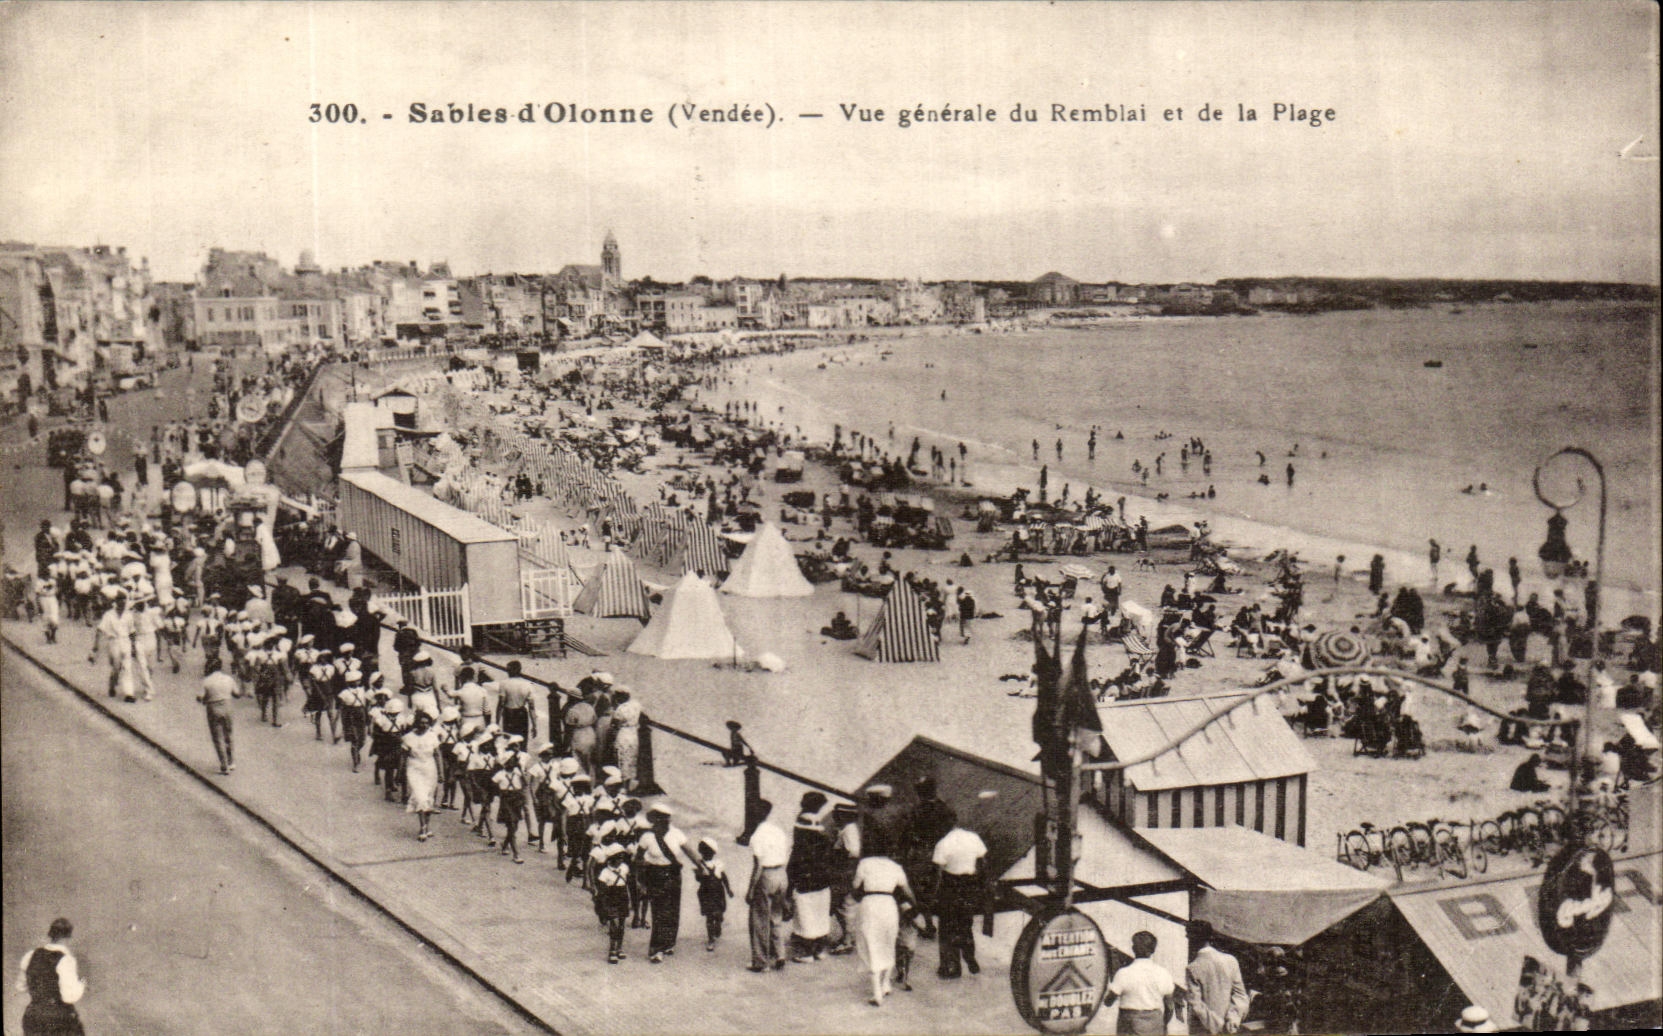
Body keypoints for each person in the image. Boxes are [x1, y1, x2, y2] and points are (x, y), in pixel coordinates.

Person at [851, 839, 917, 1007]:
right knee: (888, 942)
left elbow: (855, 886)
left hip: (870, 904)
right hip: (888, 905)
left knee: (871, 944)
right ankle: (886, 983)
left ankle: (876, 993)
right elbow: (907, 890)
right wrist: (915, 906)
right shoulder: (896, 867)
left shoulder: (864, 863)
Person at [932, 801, 989, 979]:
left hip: (951, 886)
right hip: (970, 885)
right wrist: (979, 884)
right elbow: (983, 862)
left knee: (947, 927)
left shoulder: (943, 843)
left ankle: (951, 967)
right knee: (965, 924)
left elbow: (938, 874)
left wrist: (933, 895)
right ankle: (970, 957)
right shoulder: (973, 837)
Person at [637, 802, 693, 963]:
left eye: (666, 818)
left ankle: (669, 942)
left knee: (673, 909)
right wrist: (641, 877)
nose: (665, 821)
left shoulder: (677, 834)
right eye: (660, 818)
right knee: (659, 912)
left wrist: (703, 866)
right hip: (656, 875)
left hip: (674, 874)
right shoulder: (647, 837)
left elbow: (690, 852)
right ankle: (656, 949)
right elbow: (638, 857)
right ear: (655, 819)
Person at [16, 918, 86, 1036]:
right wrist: (81, 984)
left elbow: (20, 986)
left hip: (33, 1016)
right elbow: (69, 997)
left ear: (51, 934)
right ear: (68, 937)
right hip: (58, 1020)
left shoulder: (31, 955)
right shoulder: (66, 960)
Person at [745, 798, 792, 972]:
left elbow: (758, 866)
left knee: (759, 920)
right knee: (776, 917)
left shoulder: (757, 836)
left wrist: (750, 889)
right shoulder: (778, 831)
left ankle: (761, 962)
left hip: (766, 876)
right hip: (782, 874)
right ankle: (779, 954)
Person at [788, 792, 835, 962]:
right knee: (820, 914)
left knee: (805, 915)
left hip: (805, 880)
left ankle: (807, 952)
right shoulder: (820, 831)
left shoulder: (803, 823)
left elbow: (796, 856)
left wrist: (790, 880)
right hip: (821, 879)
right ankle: (819, 950)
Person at [1183, 922, 1249, 1035]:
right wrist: (1233, 1019)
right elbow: (1241, 995)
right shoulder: (1231, 960)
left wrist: (1218, 1025)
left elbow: (1196, 1004)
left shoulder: (1193, 968)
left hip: (1206, 1029)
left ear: (1191, 938)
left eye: (1187, 935)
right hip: (1230, 1029)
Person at [1107, 930, 1176, 1035]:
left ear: (1133, 949)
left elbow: (1108, 1001)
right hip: (1155, 1025)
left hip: (1129, 1026)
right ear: (1153, 950)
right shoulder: (1163, 973)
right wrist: (1162, 1025)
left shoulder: (1123, 973)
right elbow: (1170, 1007)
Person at [403, 711, 443, 842]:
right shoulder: (408, 737)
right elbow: (403, 756)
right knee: (420, 797)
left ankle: (427, 825)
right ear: (417, 723)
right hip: (414, 768)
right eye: (422, 722)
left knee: (429, 798)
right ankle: (422, 828)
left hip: (430, 769)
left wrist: (441, 772)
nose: (424, 725)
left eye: (427, 723)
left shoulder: (432, 736)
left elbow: (437, 755)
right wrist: (400, 772)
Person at [198, 656, 239, 775]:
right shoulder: (228, 679)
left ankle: (224, 765)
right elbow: (237, 694)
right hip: (228, 707)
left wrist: (206, 699)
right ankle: (231, 762)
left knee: (218, 738)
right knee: (229, 734)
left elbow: (201, 697)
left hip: (213, 709)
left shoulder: (206, 681)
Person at [694, 837, 734, 951]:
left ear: (712, 852)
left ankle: (719, 922)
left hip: (717, 893)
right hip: (705, 893)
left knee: (718, 913)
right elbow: (698, 879)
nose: (705, 854)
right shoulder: (700, 864)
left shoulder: (718, 863)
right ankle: (711, 939)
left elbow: (724, 877)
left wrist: (728, 889)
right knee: (709, 916)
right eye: (703, 851)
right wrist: (700, 874)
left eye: (707, 851)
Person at [492, 660, 538, 744]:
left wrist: (497, 722)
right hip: (522, 714)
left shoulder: (504, 683)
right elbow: (531, 707)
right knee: (522, 742)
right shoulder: (528, 684)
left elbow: (501, 704)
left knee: (509, 742)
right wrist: (534, 725)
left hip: (508, 714)